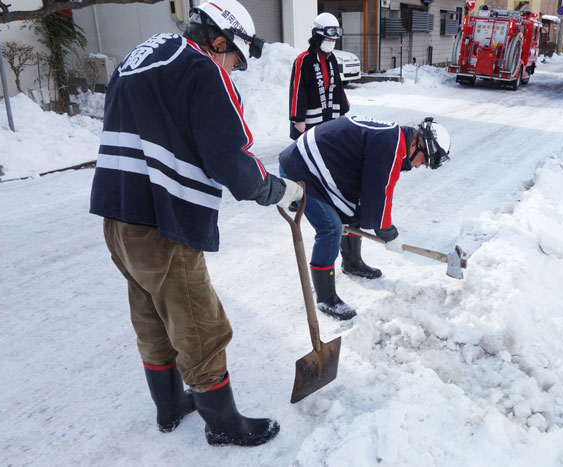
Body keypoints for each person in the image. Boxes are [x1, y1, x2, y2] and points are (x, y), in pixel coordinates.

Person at [89, 0, 303, 447]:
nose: (233, 70)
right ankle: (224, 425)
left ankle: (169, 408)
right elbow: (232, 163)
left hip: (117, 215)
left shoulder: (141, 54)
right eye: (235, 61)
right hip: (164, 224)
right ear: (219, 41)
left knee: (151, 315)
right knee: (198, 324)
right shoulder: (203, 69)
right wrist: (280, 190)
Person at [279, 116, 451, 320]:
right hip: (300, 169)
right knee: (331, 228)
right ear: (415, 143)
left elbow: (371, 194)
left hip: (313, 164)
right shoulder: (391, 147)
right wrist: (389, 233)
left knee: (355, 208)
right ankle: (326, 299)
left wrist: (381, 224)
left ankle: (352, 262)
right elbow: (380, 193)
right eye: (422, 160)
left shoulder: (395, 139)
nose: (417, 166)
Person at [288, 13, 381, 280]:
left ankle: (351, 256)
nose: (330, 43)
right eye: (327, 38)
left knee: (331, 174)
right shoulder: (303, 60)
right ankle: (300, 198)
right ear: (317, 36)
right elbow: (298, 90)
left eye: (333, 38)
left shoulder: (331, 59)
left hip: (329, 125)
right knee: (304, 168)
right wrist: (298, 119)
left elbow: (338, 88)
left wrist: (343, 112)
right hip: (309, 125)